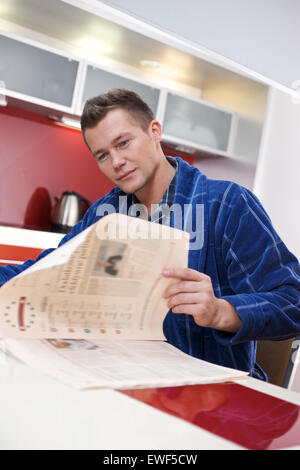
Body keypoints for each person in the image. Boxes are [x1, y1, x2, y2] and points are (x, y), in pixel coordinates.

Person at [1, 89, 299, 380]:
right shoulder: (105, 213)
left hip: (210, 395)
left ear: (154, 131)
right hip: (121, 379)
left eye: (123, 143)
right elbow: (45, 272)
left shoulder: (227, 205)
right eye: (102, 155)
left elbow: (293, 301)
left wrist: (221, 311)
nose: (116, 162)